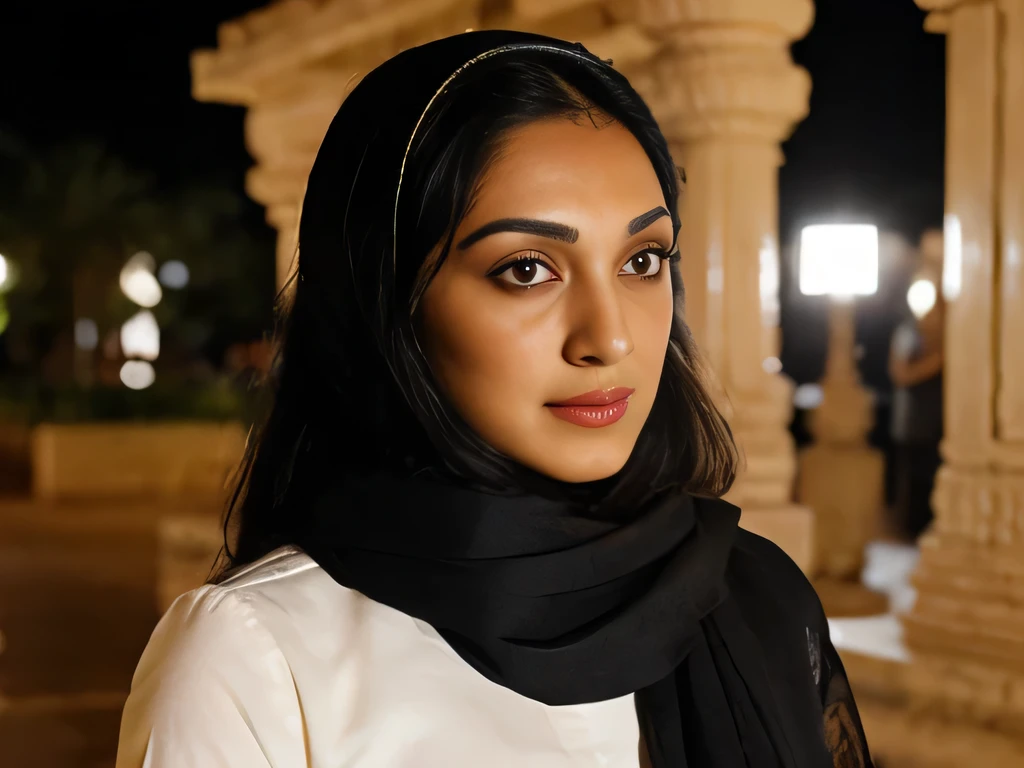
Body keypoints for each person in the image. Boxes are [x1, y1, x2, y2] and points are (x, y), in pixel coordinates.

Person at [116, 31, 872, 768]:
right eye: (526, 270)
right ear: (388, 305)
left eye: (643, 260)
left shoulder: (756, 599)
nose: (608, 338)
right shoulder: (256, 660)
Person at [889, 283, 944, 540]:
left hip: (937, 424)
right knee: (914, 483)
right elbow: (900, 373)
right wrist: (938, 361)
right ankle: (910, 533)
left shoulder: (943, 334)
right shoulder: (908, 332)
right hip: (913, 423)